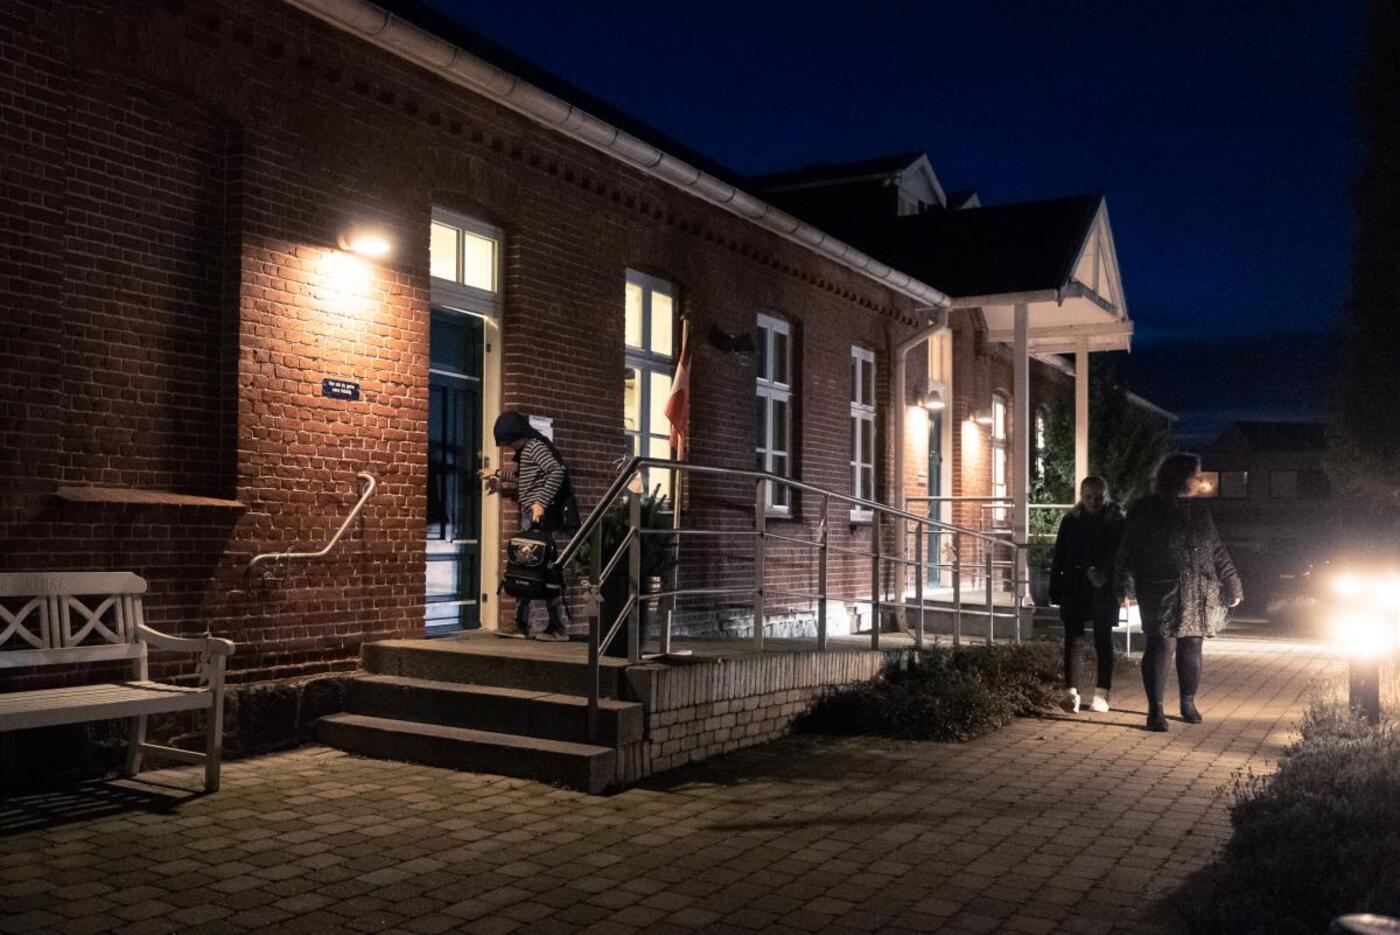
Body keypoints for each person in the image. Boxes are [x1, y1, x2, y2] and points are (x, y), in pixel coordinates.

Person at [1116, 453, 1242, 732]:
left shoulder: (1200, 510)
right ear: (1179, 477)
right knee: (1161, 644)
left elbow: (1217, 549)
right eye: (1196, 475)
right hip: (1161, 589)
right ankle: (1155, 709)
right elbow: (1128, 549)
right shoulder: (1147, 509)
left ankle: (1188, 702)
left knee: (1192, 643)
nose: (1200, 480)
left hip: (1199, 588)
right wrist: (1124, 585)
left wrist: (1232, 582)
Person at [483, 412, 572, 641]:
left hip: (538, 518)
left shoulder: (533, 447)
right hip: (531, 516)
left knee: (539, 569)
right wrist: (497, 474)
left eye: (508, 442)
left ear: (516, 435)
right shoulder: (529, 449)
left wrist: (540, 502)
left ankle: (555, 627)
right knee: (526, 568)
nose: (508, 447)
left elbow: (557, 471)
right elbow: (526, 476)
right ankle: (522, 623)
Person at [1048, 475, 1124, 714]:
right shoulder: (1071, 520)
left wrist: (1106, 574)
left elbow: (1121, 555)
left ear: (1106, 496)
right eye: (1088, 497)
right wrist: (1055, 588)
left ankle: (1101, 692)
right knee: (1073, 639)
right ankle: (1071, 691)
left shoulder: (1115, 521)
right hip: (1075, 584)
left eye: (1099, 498)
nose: (1093, 502)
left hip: (1103, 587)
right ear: (1081, 496)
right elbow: (1060, 555)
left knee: (1103, 638)